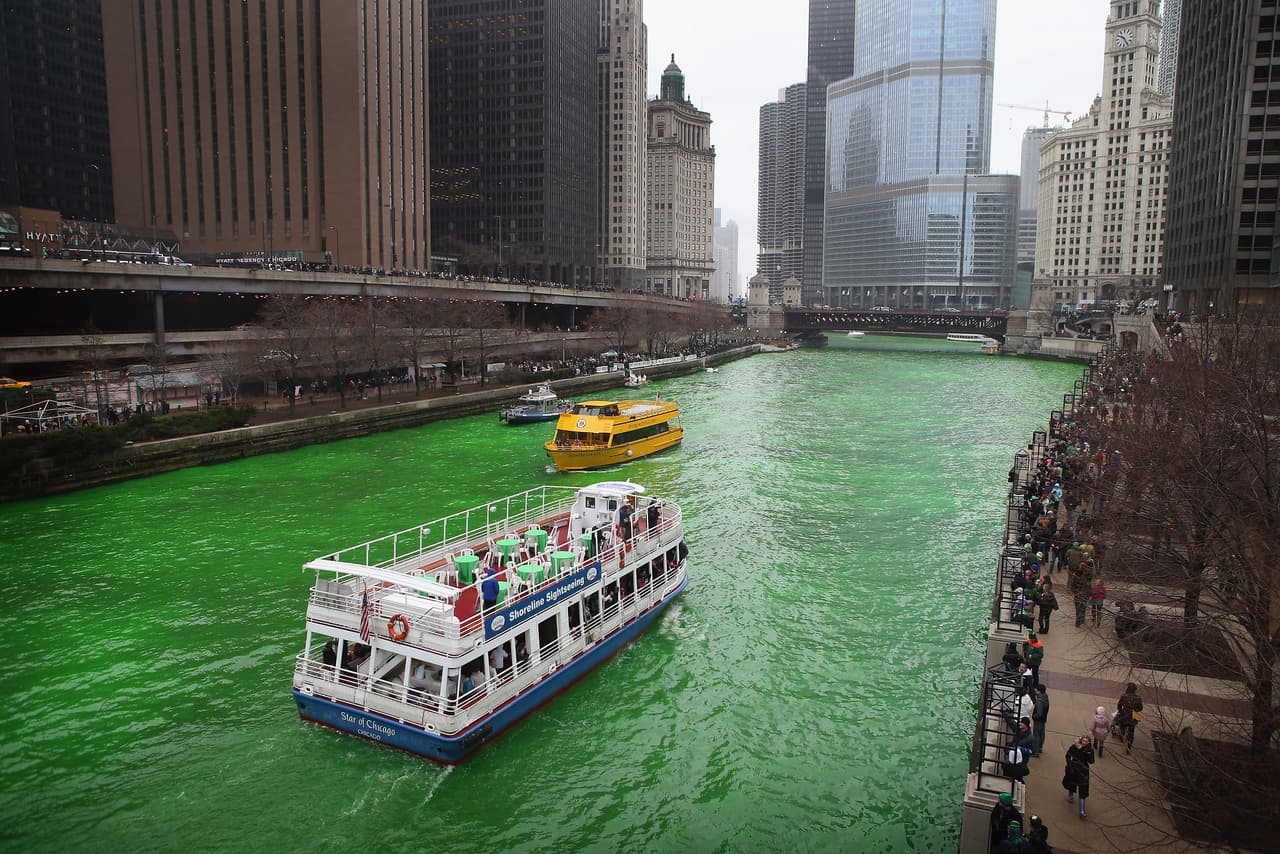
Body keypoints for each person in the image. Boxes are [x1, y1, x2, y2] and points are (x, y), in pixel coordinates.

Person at [1062, 735, 1095, 818]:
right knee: (1071, 783)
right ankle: (1070, 794)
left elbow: (1091, 761)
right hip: (1073, 768)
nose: (1084, 742)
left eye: (1086, 741)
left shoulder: (1089, 750)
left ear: (1089, 742)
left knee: (1083, 789)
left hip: (1083, 771)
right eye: (1083, 740)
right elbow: (1068, 756)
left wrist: (1088, 754)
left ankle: (1082, 810)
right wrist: (1070, 765)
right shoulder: (1074, 747)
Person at [1116, 682, 1144, 753]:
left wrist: (1120, 711)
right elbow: (1140, 708)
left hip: (1124, 715)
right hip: (1133, 716)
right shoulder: (1138, 698)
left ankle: (1121, 737)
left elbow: (1119, 705)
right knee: (1131, 732)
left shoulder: (1124, 696)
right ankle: (1129, 747)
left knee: (1122, 726)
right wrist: (1135, 710)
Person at [1031, 685, 1050, 757]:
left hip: (1038, 720)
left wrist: (1034, 716)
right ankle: (1040, 747)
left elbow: (1039, 713)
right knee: (1042, 734)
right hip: (1043, 719)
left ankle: (1035, 751)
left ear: (1039, 691)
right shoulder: (1046, 698)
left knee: (1036, 735)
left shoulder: (1039, 701)